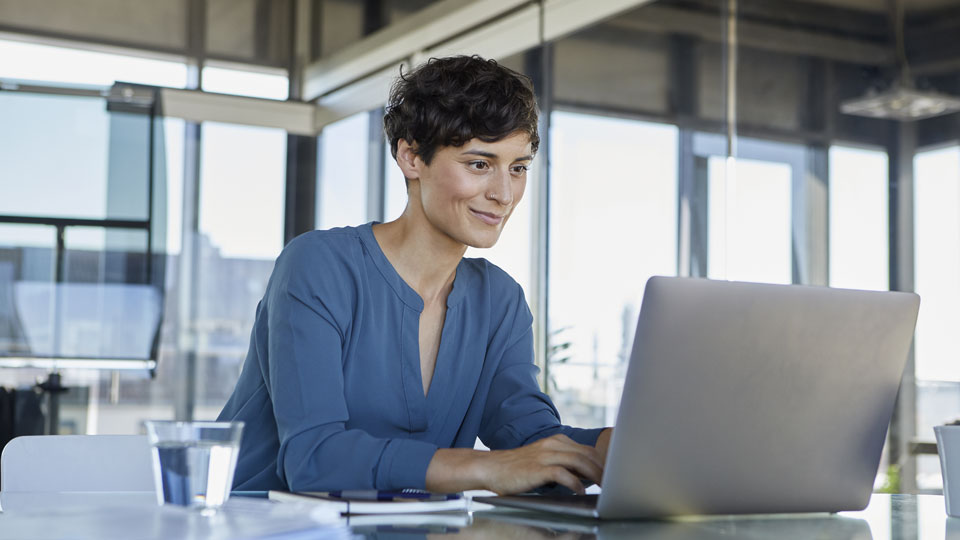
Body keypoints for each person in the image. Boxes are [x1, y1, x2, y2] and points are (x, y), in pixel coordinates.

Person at [218, 55, 612, 495]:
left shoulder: (498, 299)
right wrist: (486, 469)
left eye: (517, 168)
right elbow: (314, 458)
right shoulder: (318, 266)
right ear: (411, 158)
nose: (504, 194)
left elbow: (528, 438)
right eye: (479, 164)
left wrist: (610, 446)